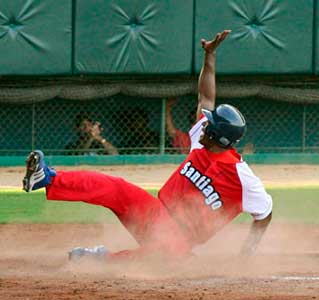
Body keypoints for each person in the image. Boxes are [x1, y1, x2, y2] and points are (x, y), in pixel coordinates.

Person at [22, 29, 273, 262]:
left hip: (179, 242)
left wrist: (245, 256)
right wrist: (210, 55)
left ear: (219, 137)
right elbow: (206, 96)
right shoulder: (202, 141)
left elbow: (264, 214)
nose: (202, 124)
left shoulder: (241, 178)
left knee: (160, 258)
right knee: (116, 188)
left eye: (209, 125)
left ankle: (98, 260)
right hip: (154, 212)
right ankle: (47, 178)